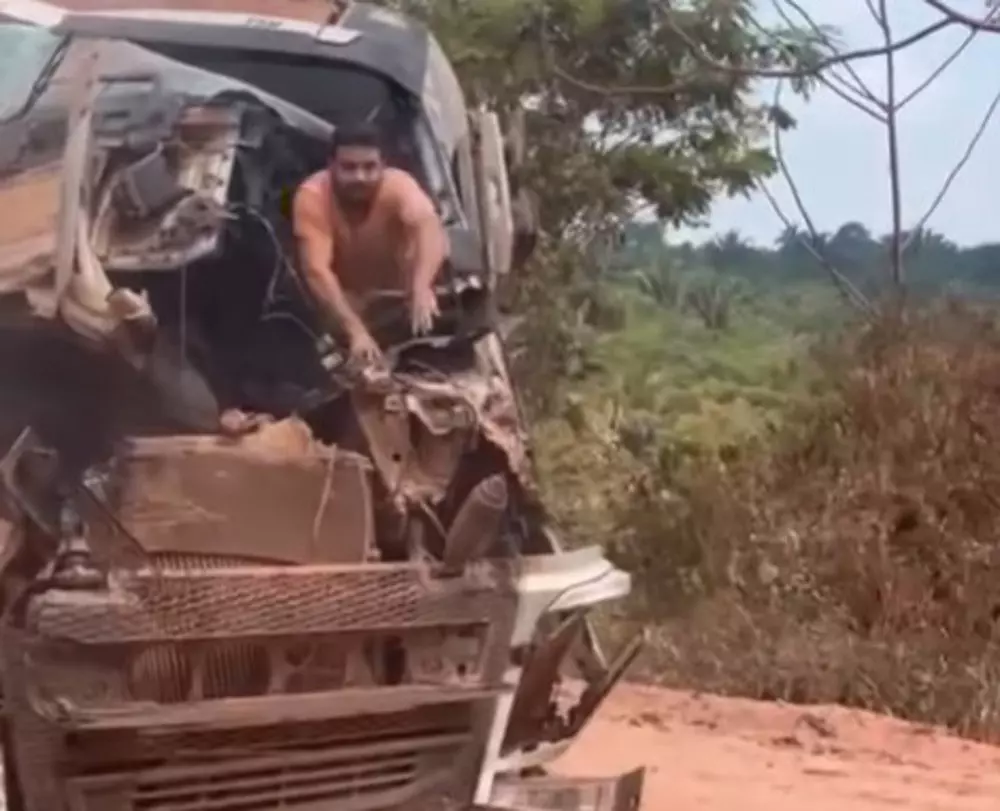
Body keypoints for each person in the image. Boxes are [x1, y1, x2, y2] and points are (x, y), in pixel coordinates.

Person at [292, 122, 449, 364]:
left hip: (403, 302)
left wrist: (422, 286)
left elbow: (429, 227)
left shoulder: (398, 186)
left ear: (383, 166)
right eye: (349, 168)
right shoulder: (312, 198)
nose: (360, 177)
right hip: (346, 307)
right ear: (330, 165)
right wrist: (355, 330)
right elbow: (316, 270)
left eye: (369, 167)